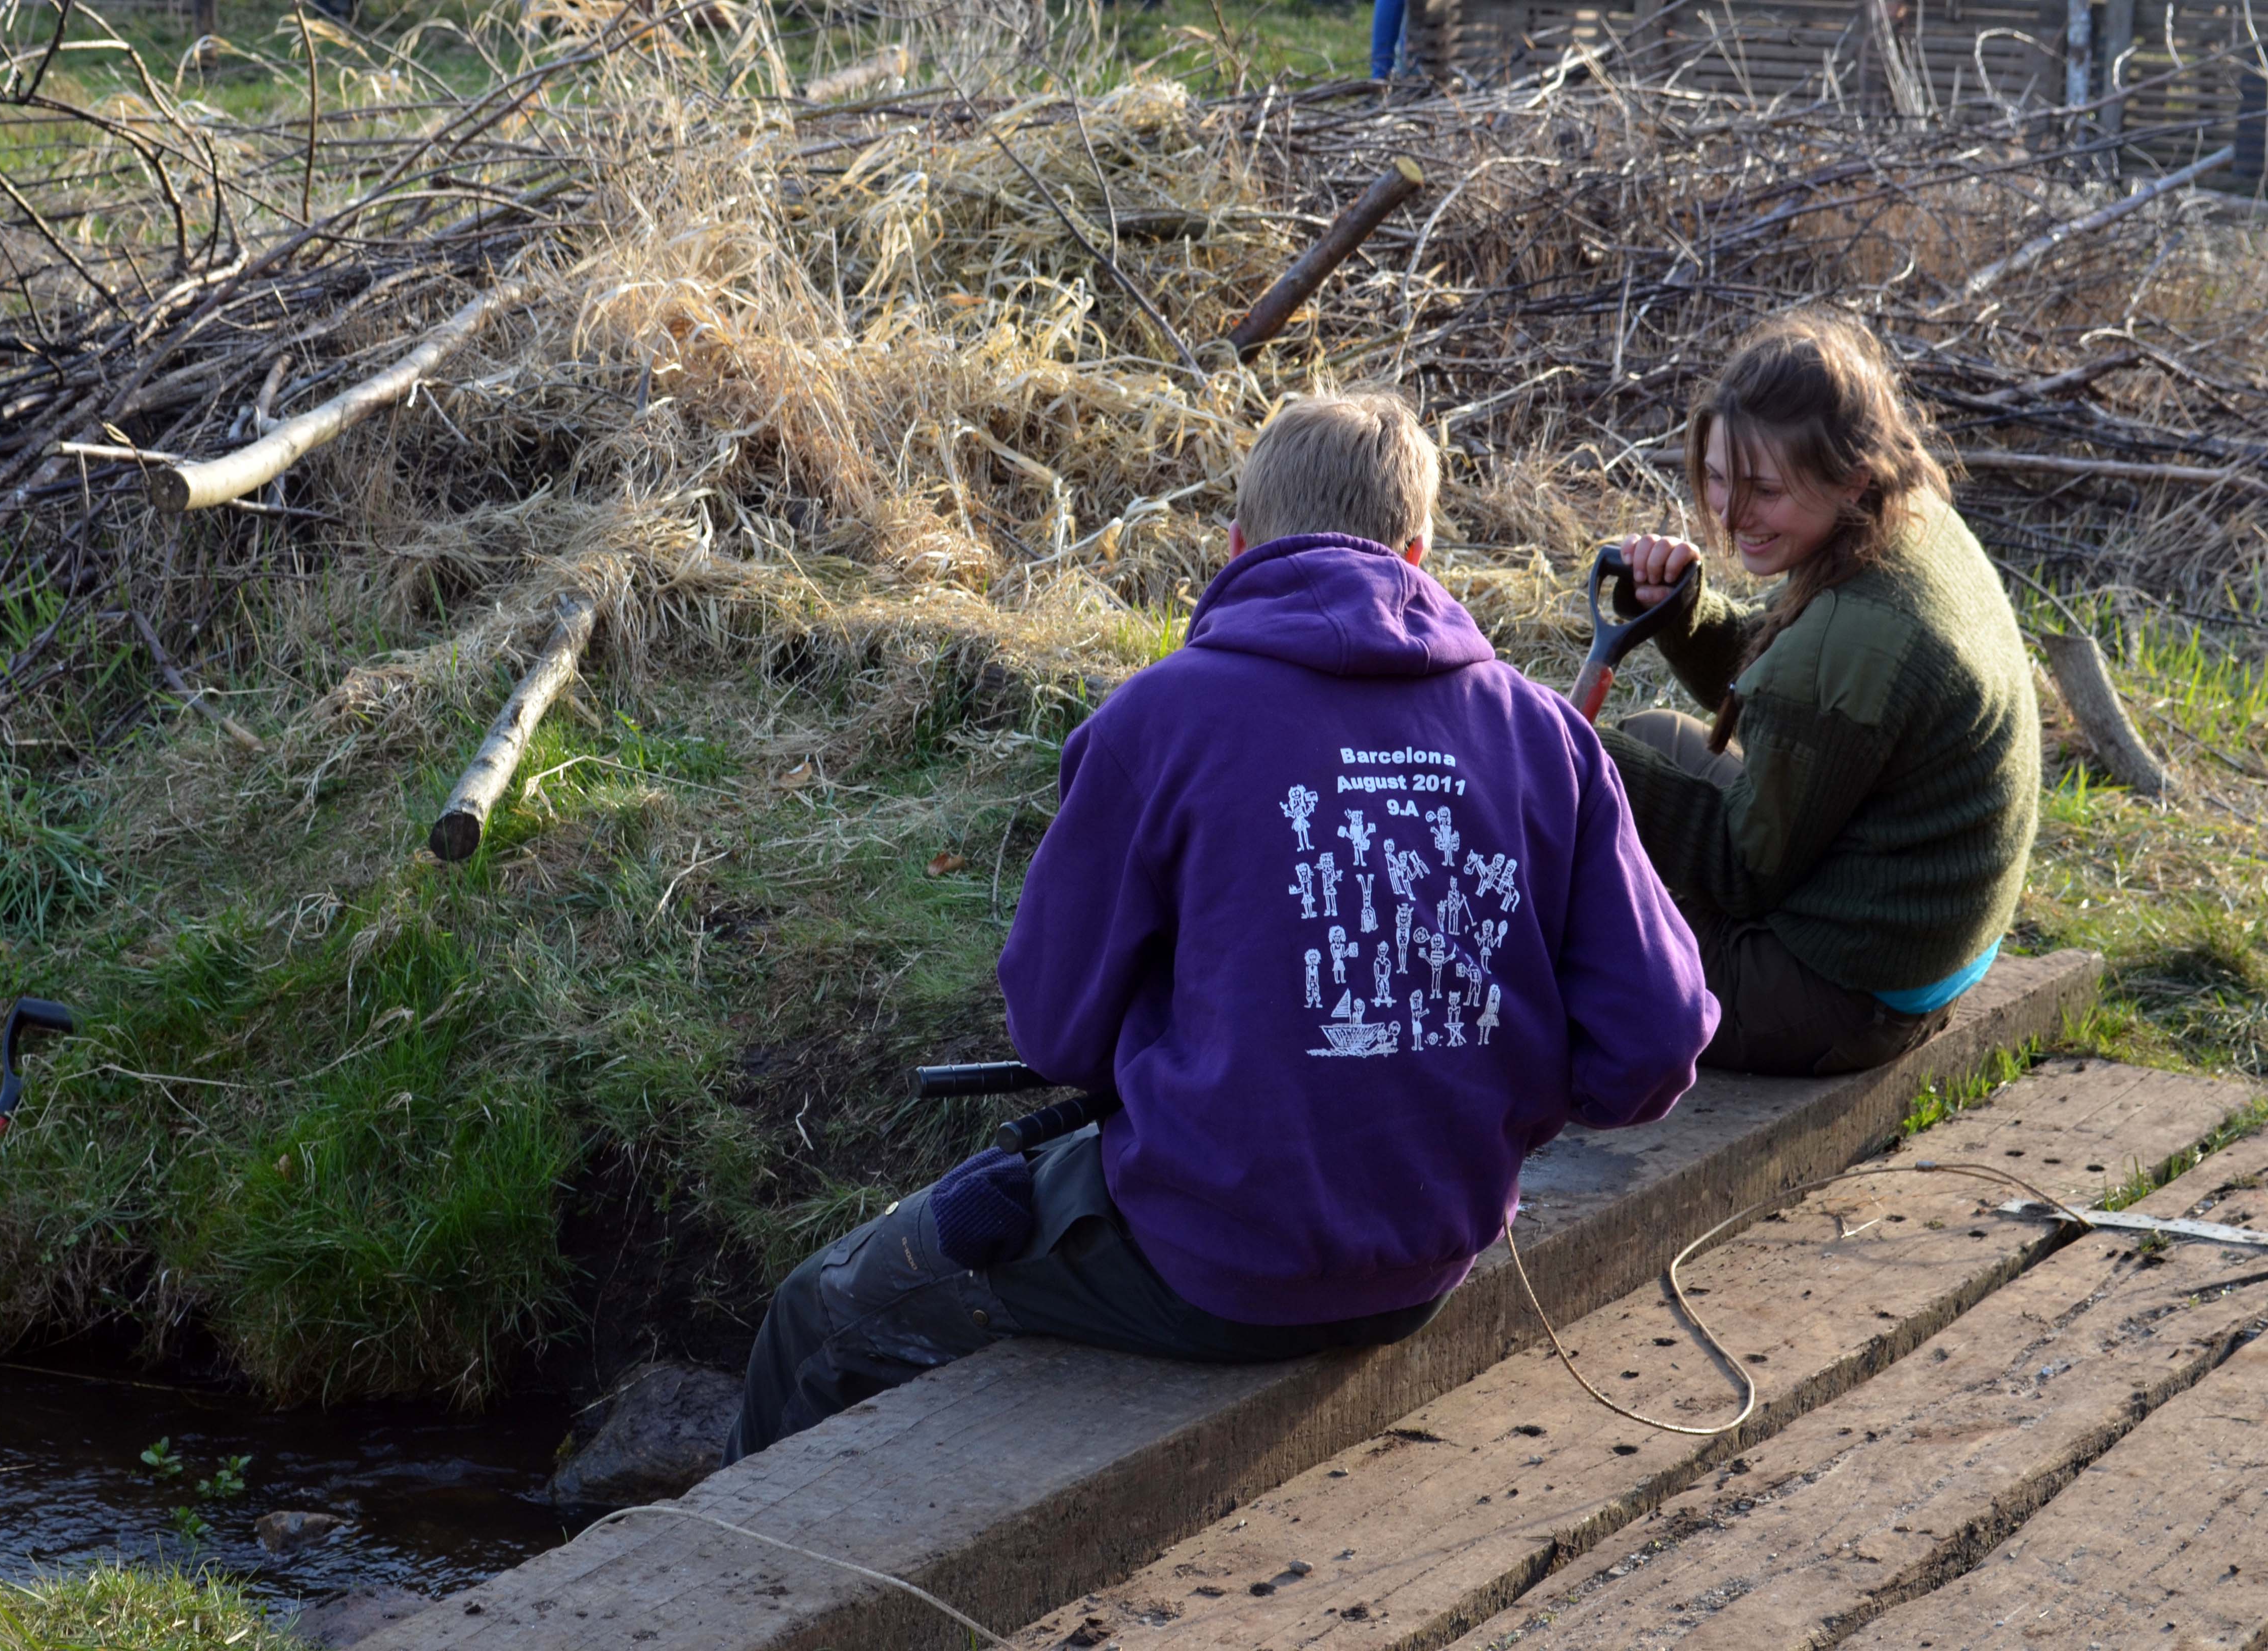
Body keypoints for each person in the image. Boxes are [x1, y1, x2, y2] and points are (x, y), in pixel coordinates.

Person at [724, 390, 1718, 1464]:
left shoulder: (1159, 720)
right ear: (1418, 554)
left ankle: (728, 1561)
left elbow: (1052, 1033)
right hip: (1432, 1262)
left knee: (818, 1314)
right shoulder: (1544, 733)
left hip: (1208, 1265)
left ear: (1238, 544)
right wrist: (1479, 1077)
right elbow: (1656, 1045)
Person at [1597, 309, 2039, 1077]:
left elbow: (1741, 872)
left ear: (1852, 477)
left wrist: (1574, 755)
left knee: (1579, 926)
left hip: (1850, 991)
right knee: (1646, 741)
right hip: (1914, 927)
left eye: (1765, 489)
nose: (1731, 513)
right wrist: (1685, 614)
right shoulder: (1903, 523)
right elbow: (1796, 685)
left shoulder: (1860, 630)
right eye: (1719, 477)